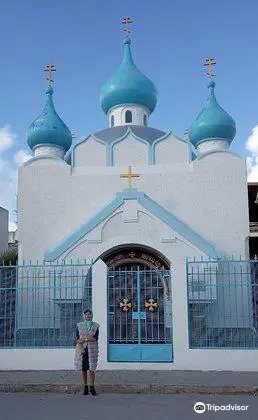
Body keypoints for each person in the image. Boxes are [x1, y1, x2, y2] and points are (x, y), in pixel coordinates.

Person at [74, 309, 99, 396]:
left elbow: (95, 338)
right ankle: (85, 387)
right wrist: (81, 348)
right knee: (84, 369)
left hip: (92, 350)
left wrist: (85, 339)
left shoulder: (95, 326)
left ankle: (92, 387)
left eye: (89, 314)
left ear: (91, 316)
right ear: (84, 316)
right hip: (82, 350)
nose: (88, 316)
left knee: (92, 369)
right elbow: (77, 339)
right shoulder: (79, 325)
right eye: (86, 315)